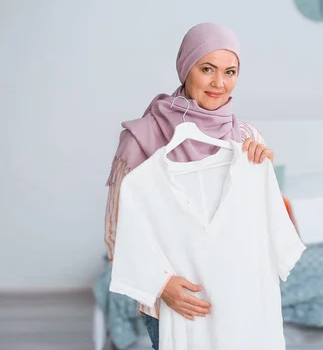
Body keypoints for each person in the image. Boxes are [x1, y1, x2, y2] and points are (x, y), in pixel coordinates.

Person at [103, 22, 274, 349]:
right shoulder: (141, 139)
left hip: (235, 298)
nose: (219, 83)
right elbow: (116, 231)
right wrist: (162, 285)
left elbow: (260, 227)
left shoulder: (247, 138)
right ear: (186, 69)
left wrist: (262, 172)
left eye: (230, 72)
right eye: (207, 69)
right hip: (173, 301)